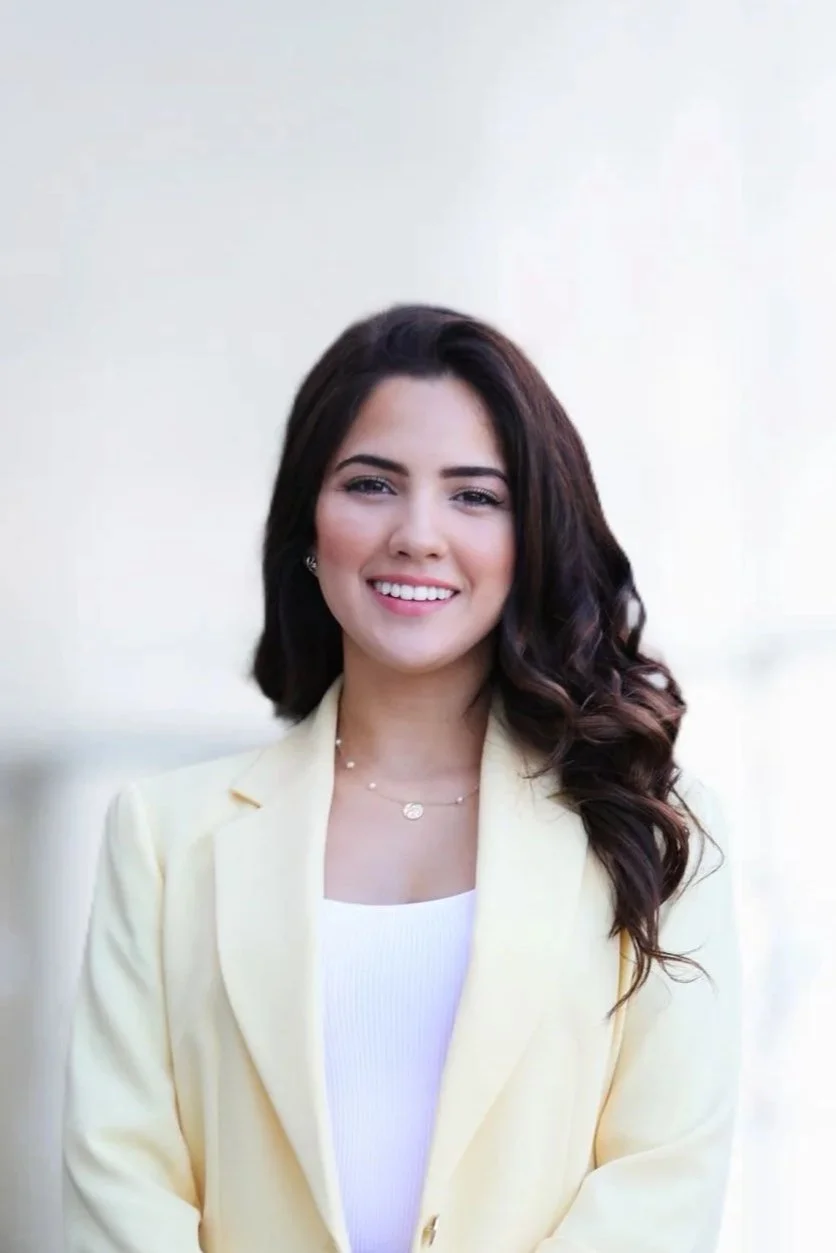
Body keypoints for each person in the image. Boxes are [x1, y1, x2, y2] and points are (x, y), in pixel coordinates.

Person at [63, 304, 740, 1253]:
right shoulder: (163, 836)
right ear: (308, 522)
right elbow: (120, 1181)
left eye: (475, 495)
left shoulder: (651, 829)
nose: (418, 534)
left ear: (532, 535)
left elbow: (662, 1183)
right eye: (372, 484)